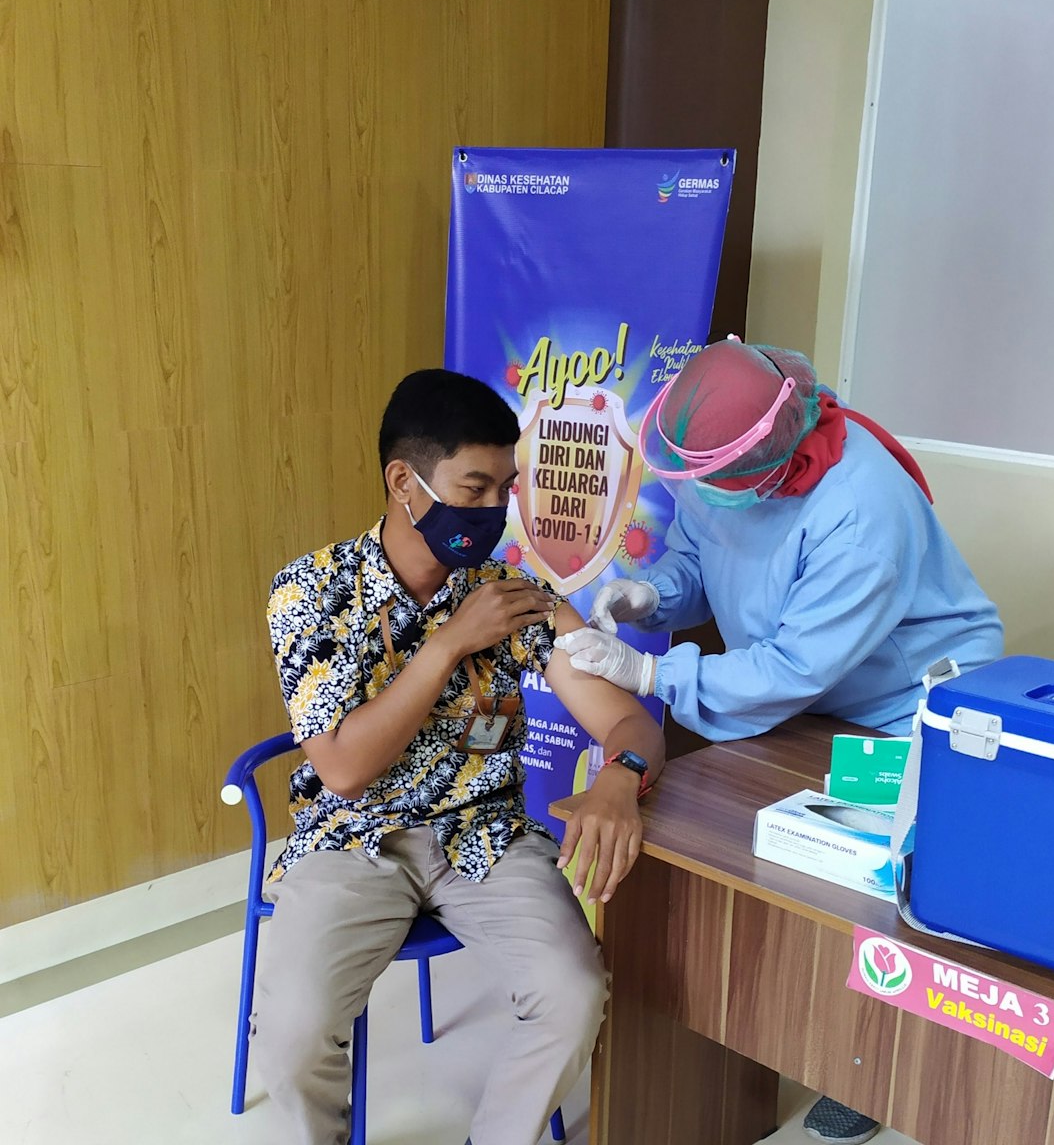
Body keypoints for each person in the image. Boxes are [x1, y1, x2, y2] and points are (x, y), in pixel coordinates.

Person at [555, 338, 1003, 1145]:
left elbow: (795, 666)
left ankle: (873, 1072)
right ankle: (769, 1035)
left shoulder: (862, 505)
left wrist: (652, 677)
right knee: (760, 864)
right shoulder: (715, 462)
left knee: (879, 891)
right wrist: (650, 594)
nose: (700, 491)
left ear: (765, 461)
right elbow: (700, 552)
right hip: (808, 689)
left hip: (908, 700)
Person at [253, 368, 665, 1145]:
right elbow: (342, 769)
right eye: (473, 488)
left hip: (486, 837)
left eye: (504, 490)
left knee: (574, 994)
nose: (492, 513)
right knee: (293, 1032)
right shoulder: (311, 593)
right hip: (353, 839)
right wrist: (448, 643)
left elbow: (628, 722)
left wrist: (622, 776)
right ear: (403, 482)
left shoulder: (513, 593)